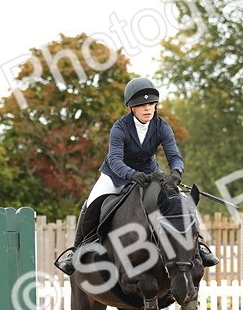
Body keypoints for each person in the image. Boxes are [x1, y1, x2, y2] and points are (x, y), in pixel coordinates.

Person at [55, 77, 219, 275]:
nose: (148, 108)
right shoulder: (120, 128)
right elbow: (114, 159)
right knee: (92, 202)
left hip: (150, 174)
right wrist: (131, 174)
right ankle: (76, 252)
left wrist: (176, 173)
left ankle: (200, 246)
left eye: (151, 104)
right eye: (142, 105)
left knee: (183, 201)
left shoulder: (162, 127)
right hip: (116, 175)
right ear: (132, 108)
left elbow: (174, 156)